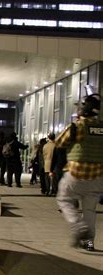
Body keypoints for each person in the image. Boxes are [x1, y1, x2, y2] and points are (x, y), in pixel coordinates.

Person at [55, 94, 103, 252]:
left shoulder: (77, 126)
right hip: (97, 177)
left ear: (83, 108)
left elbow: (59, 142)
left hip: (76, 174)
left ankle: (79, 226)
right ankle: (89, 243)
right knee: (90, 210)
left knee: (64, 199)